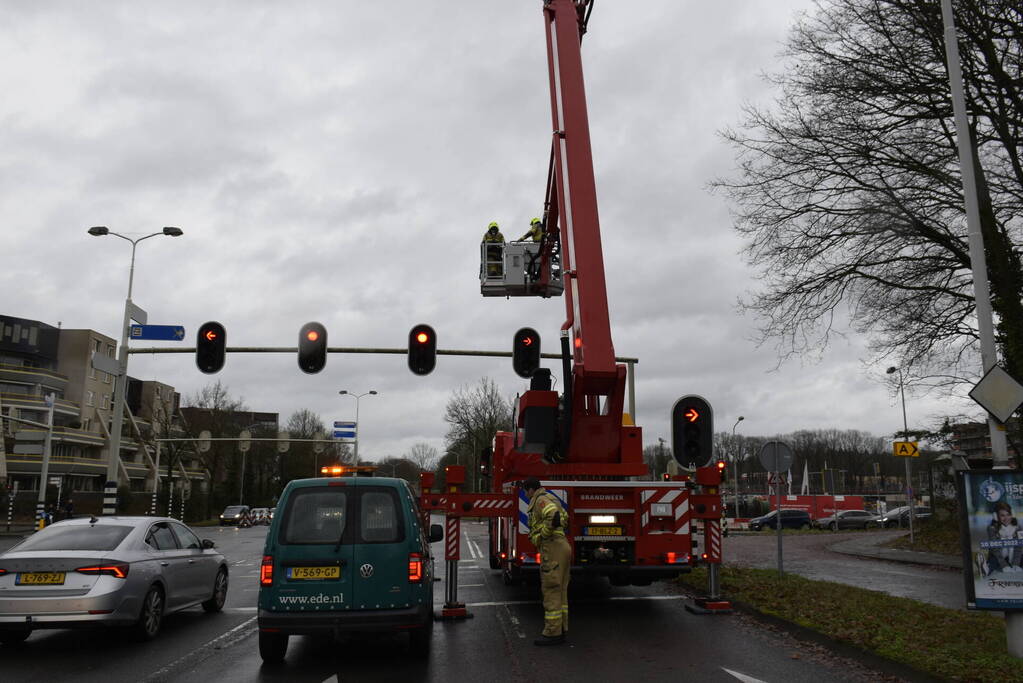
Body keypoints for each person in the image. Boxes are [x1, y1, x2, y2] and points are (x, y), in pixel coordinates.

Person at [523, 477, 571, 646]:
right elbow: (564, 518)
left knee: (551, 589)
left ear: (530, 489)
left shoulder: (540, 500)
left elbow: (553, 516)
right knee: (561, 591)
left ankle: (552, 633)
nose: (526, 495)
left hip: (552, 547)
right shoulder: (552, 498)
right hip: (562, 546)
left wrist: (542, 535)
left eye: (525, 491)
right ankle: (562, 629)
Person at [983, 501, 1022, 575]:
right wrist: (1004, 566)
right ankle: (986, 568)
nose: (1006, 518)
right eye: (1002, 515)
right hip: (999, 557)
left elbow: (1019, 548)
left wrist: (1016, 564)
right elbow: (995, 550)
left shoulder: (1018, 527)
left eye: (1008, 514)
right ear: (996, 516)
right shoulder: (991, 528)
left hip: (1013, 556)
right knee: (993, 562)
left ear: (1012, 514)